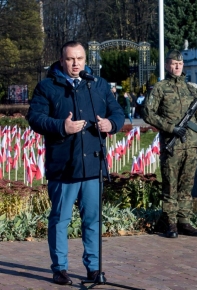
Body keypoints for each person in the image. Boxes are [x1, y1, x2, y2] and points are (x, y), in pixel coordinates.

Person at [26, 41, 125, 285]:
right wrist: (62, 126)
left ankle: (93, 267)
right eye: (70, 59)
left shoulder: (97, 84)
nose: (75, 63)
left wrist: (110, 125)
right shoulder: (47, 86)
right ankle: (60, 268)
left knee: (92, 220)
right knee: (60, 219)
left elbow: (118, 113)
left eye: (79, 58)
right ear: (61, 60)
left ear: (85, 59)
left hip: (92, 165)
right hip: (64, 166)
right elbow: (35, 118)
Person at [143, 49, 197, 238]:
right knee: (170, 184)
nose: (177, 66)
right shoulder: (160, 88)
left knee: (187, 184)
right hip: (173, 144)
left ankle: (184, 220)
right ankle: (170, 222)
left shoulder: (191, 89)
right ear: (167, 65)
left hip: (191, 146)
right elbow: (148, 113)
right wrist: (170, 128)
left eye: (180, 63)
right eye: (173, 63)